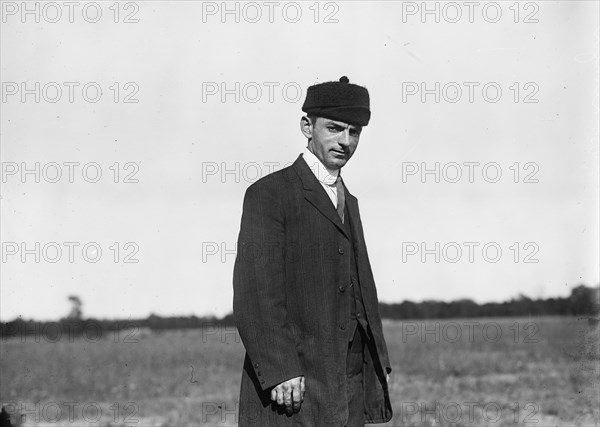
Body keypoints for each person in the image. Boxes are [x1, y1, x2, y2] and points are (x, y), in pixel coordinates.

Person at [233, 76, 393, 426]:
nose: (345, 141)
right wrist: (279, 370)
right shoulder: (270, 193)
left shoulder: (348, 200)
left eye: (354, 132)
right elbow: (256, 291)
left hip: (346, 380)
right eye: (334, 128)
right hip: (293, 383)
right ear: (307, 126)